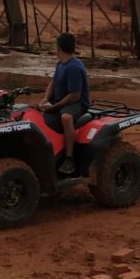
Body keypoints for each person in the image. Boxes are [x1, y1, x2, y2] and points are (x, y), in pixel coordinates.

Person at [40, 32, 90, 176]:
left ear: (59, 48)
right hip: (62, 100)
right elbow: (53, 83)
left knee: (66, 118)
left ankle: (69, 159)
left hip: (77, 103)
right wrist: (45, 99)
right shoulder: (61, 64)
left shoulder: (74, 67)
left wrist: (55, 107)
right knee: (34, 111)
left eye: (56, 46)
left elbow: (75, 95)